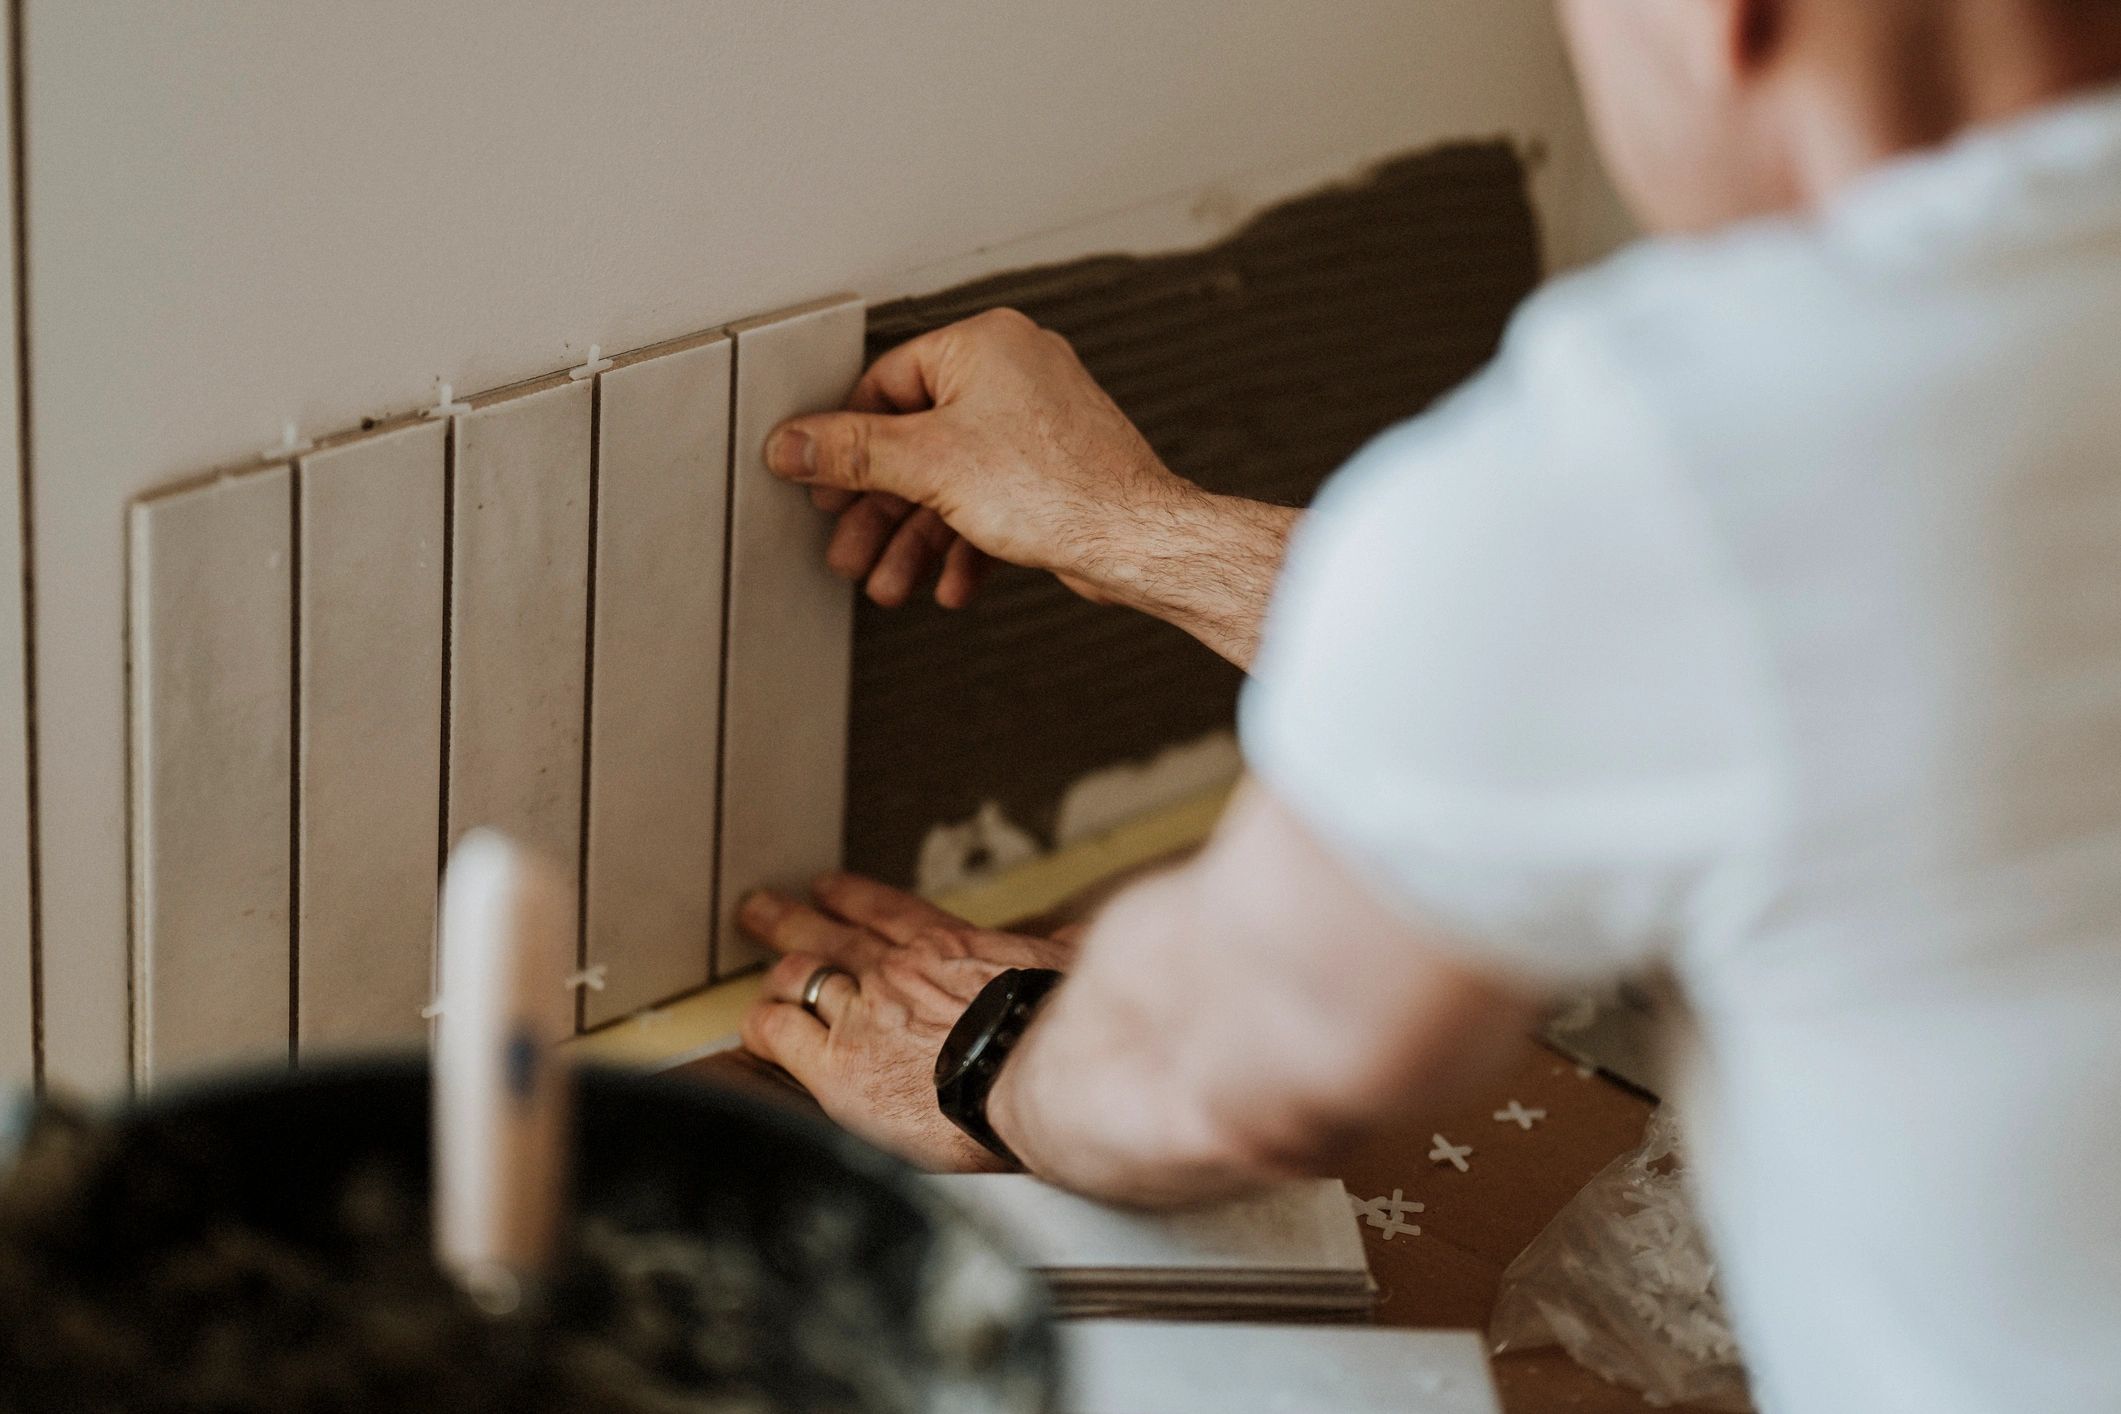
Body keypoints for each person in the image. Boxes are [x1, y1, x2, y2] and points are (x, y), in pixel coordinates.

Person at [736, 1, 2121, 1408]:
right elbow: (1657, 645)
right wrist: (1135, 525)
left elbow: (1224, 1063)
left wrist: (987, 1055)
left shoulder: (1683, 454)